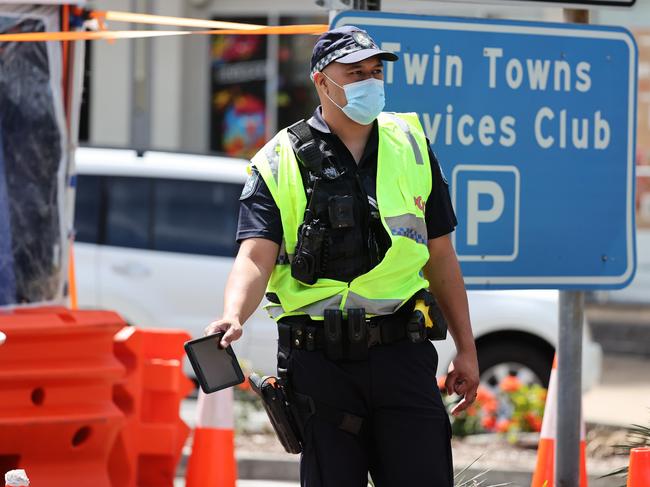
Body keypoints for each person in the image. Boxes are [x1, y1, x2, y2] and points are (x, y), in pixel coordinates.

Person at [206, 25, 479, 487]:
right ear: (321, 81)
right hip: (320, 364)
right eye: (355, 73)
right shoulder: (277, 160)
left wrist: (466, 350)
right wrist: (233, 314)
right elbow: (255, 257)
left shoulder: (411, 142)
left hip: (402, 354)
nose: (370, 82)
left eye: (376, 71)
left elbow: (441, 258)